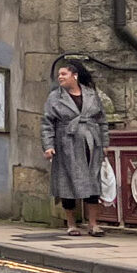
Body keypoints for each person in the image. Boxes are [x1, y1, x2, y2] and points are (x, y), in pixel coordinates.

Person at [41, 59, 109, 237]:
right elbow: (47, 123)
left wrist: (104, 144)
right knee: (67, 183)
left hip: (91, 143)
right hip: (66, 144)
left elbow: (102, 121)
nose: (60, 77)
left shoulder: (91, 94)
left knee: (93, 182)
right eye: (59, 75)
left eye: (64, 74)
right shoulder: (55, 97)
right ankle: (71, 224)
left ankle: (93, 224)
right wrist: (48, 146)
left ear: (75, 75)